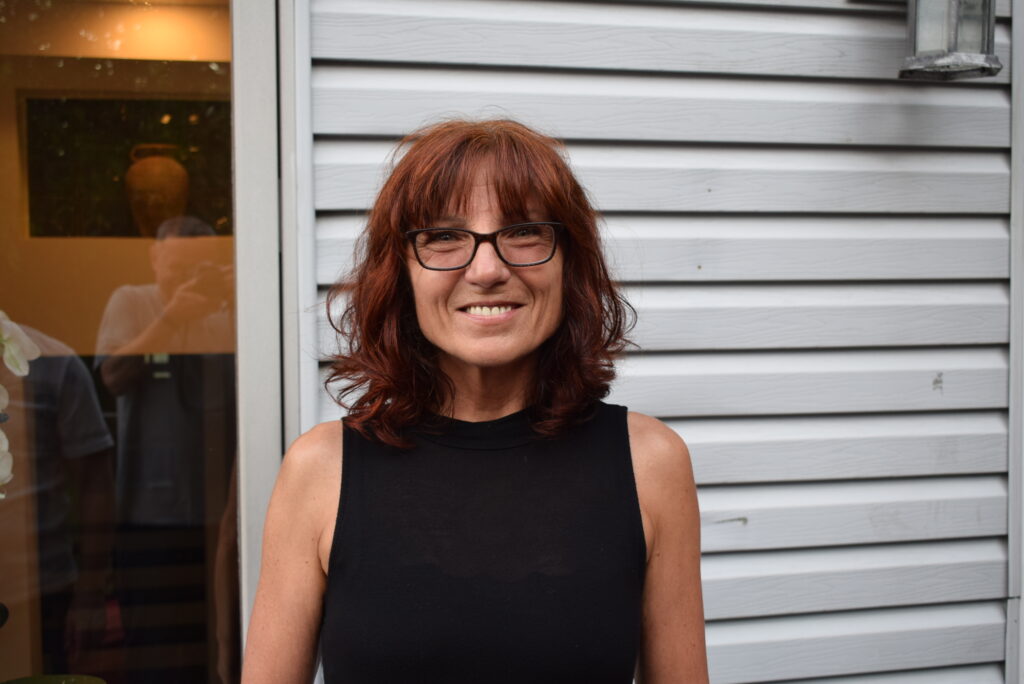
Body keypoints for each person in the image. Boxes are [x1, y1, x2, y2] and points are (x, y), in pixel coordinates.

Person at [242, 119, 708, 683]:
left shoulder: (651, 464)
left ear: (570, 262)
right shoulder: (320, 470)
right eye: (444, 236)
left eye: (524, 232)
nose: (487, 270)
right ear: (401, 271)